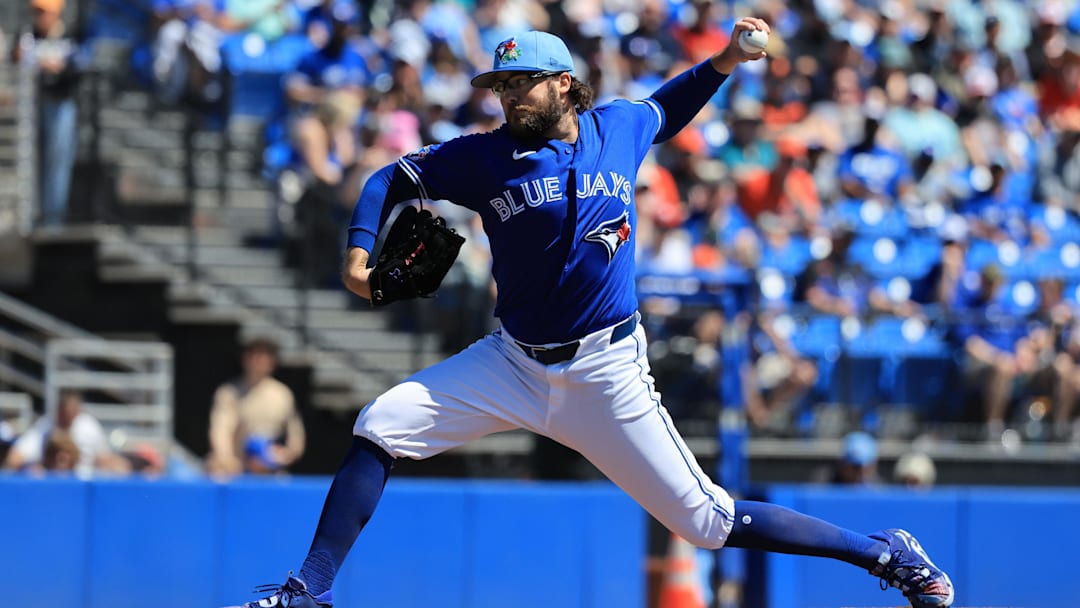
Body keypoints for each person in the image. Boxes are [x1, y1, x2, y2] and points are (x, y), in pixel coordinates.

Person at [226, 23, 955, 608]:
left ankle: (883, 552)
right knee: (381, 424)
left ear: (564, 83)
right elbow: (392, 176)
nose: (509, 96)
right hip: (512, 363)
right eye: (501, 85)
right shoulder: (485, 157)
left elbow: (670, 106)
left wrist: (727, 60)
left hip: (607, 370)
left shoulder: (618, 128)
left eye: (522, 82)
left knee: (706, 522)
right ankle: (308, 591)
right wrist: (359, 255)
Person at [12, 0, 87, 227]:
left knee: (57, 160)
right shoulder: (27, 36)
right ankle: (30, 217)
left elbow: (77, 69)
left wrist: (57, 67)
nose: (39, 16)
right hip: (31, 106)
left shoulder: (70, 36)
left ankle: (53, 219)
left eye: (44, 12)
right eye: (36, 11)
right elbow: (15, 62)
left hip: (60, 105)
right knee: (30, 160)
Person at [206, 337, 306, 476]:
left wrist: (286, 454)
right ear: (245, 359)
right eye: (257, 356)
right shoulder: (229, 393)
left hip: (271, 471)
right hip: (236, 470)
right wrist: (226, 459)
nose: (261, 362)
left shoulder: (283, 394)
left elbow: (295, 435)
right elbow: (220, 430)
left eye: (266, 357)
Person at [3, 390, 130, 478]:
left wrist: (118, 465)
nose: (67, 420)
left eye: (72, 414)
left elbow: (103, 457)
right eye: (64, 415)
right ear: (58, 411)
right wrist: (30, 469)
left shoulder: (88, 426)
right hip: (52, 485)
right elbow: (16, 457)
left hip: (83, 482)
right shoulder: (46, 427)